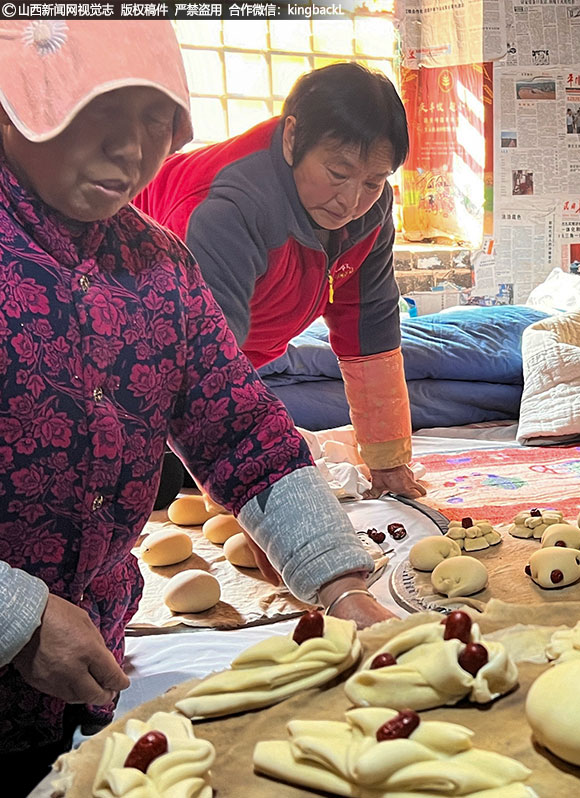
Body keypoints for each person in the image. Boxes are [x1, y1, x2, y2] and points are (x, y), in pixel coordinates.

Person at [0, 21, 396, 792]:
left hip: (83, 681)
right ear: (17, 105)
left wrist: (341, 586)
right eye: (101, 111)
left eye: (158, 119)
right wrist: (20, 616)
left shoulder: (157, 266)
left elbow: (243, 434)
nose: (134, 148)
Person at [135, 62, 424, 500]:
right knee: (142, 482)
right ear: (292, 138)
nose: (351, 201)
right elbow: (205, 365)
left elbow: (370, 329)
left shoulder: (373, 210)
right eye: (338, 174)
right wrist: (254, 496)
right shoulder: (227, 209)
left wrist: (388, 461)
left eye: (373, 180)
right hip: (152, 339)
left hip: (248, 342)